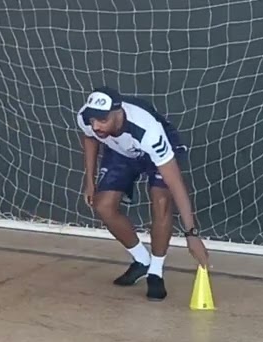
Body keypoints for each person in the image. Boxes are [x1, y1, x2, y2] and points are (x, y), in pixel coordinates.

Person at [76, 86, 210, 300]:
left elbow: (176, 184)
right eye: (93, 120)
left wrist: (191, 234)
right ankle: (142, 260)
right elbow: (90, 137)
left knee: (161, 201)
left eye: (102, 120)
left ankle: (155, 272)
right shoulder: (86, 118)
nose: (96, 125)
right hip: (121, 151)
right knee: (102, 205)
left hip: (156, 151)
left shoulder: (148, 132)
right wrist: (89, 181)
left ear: (118, 113)